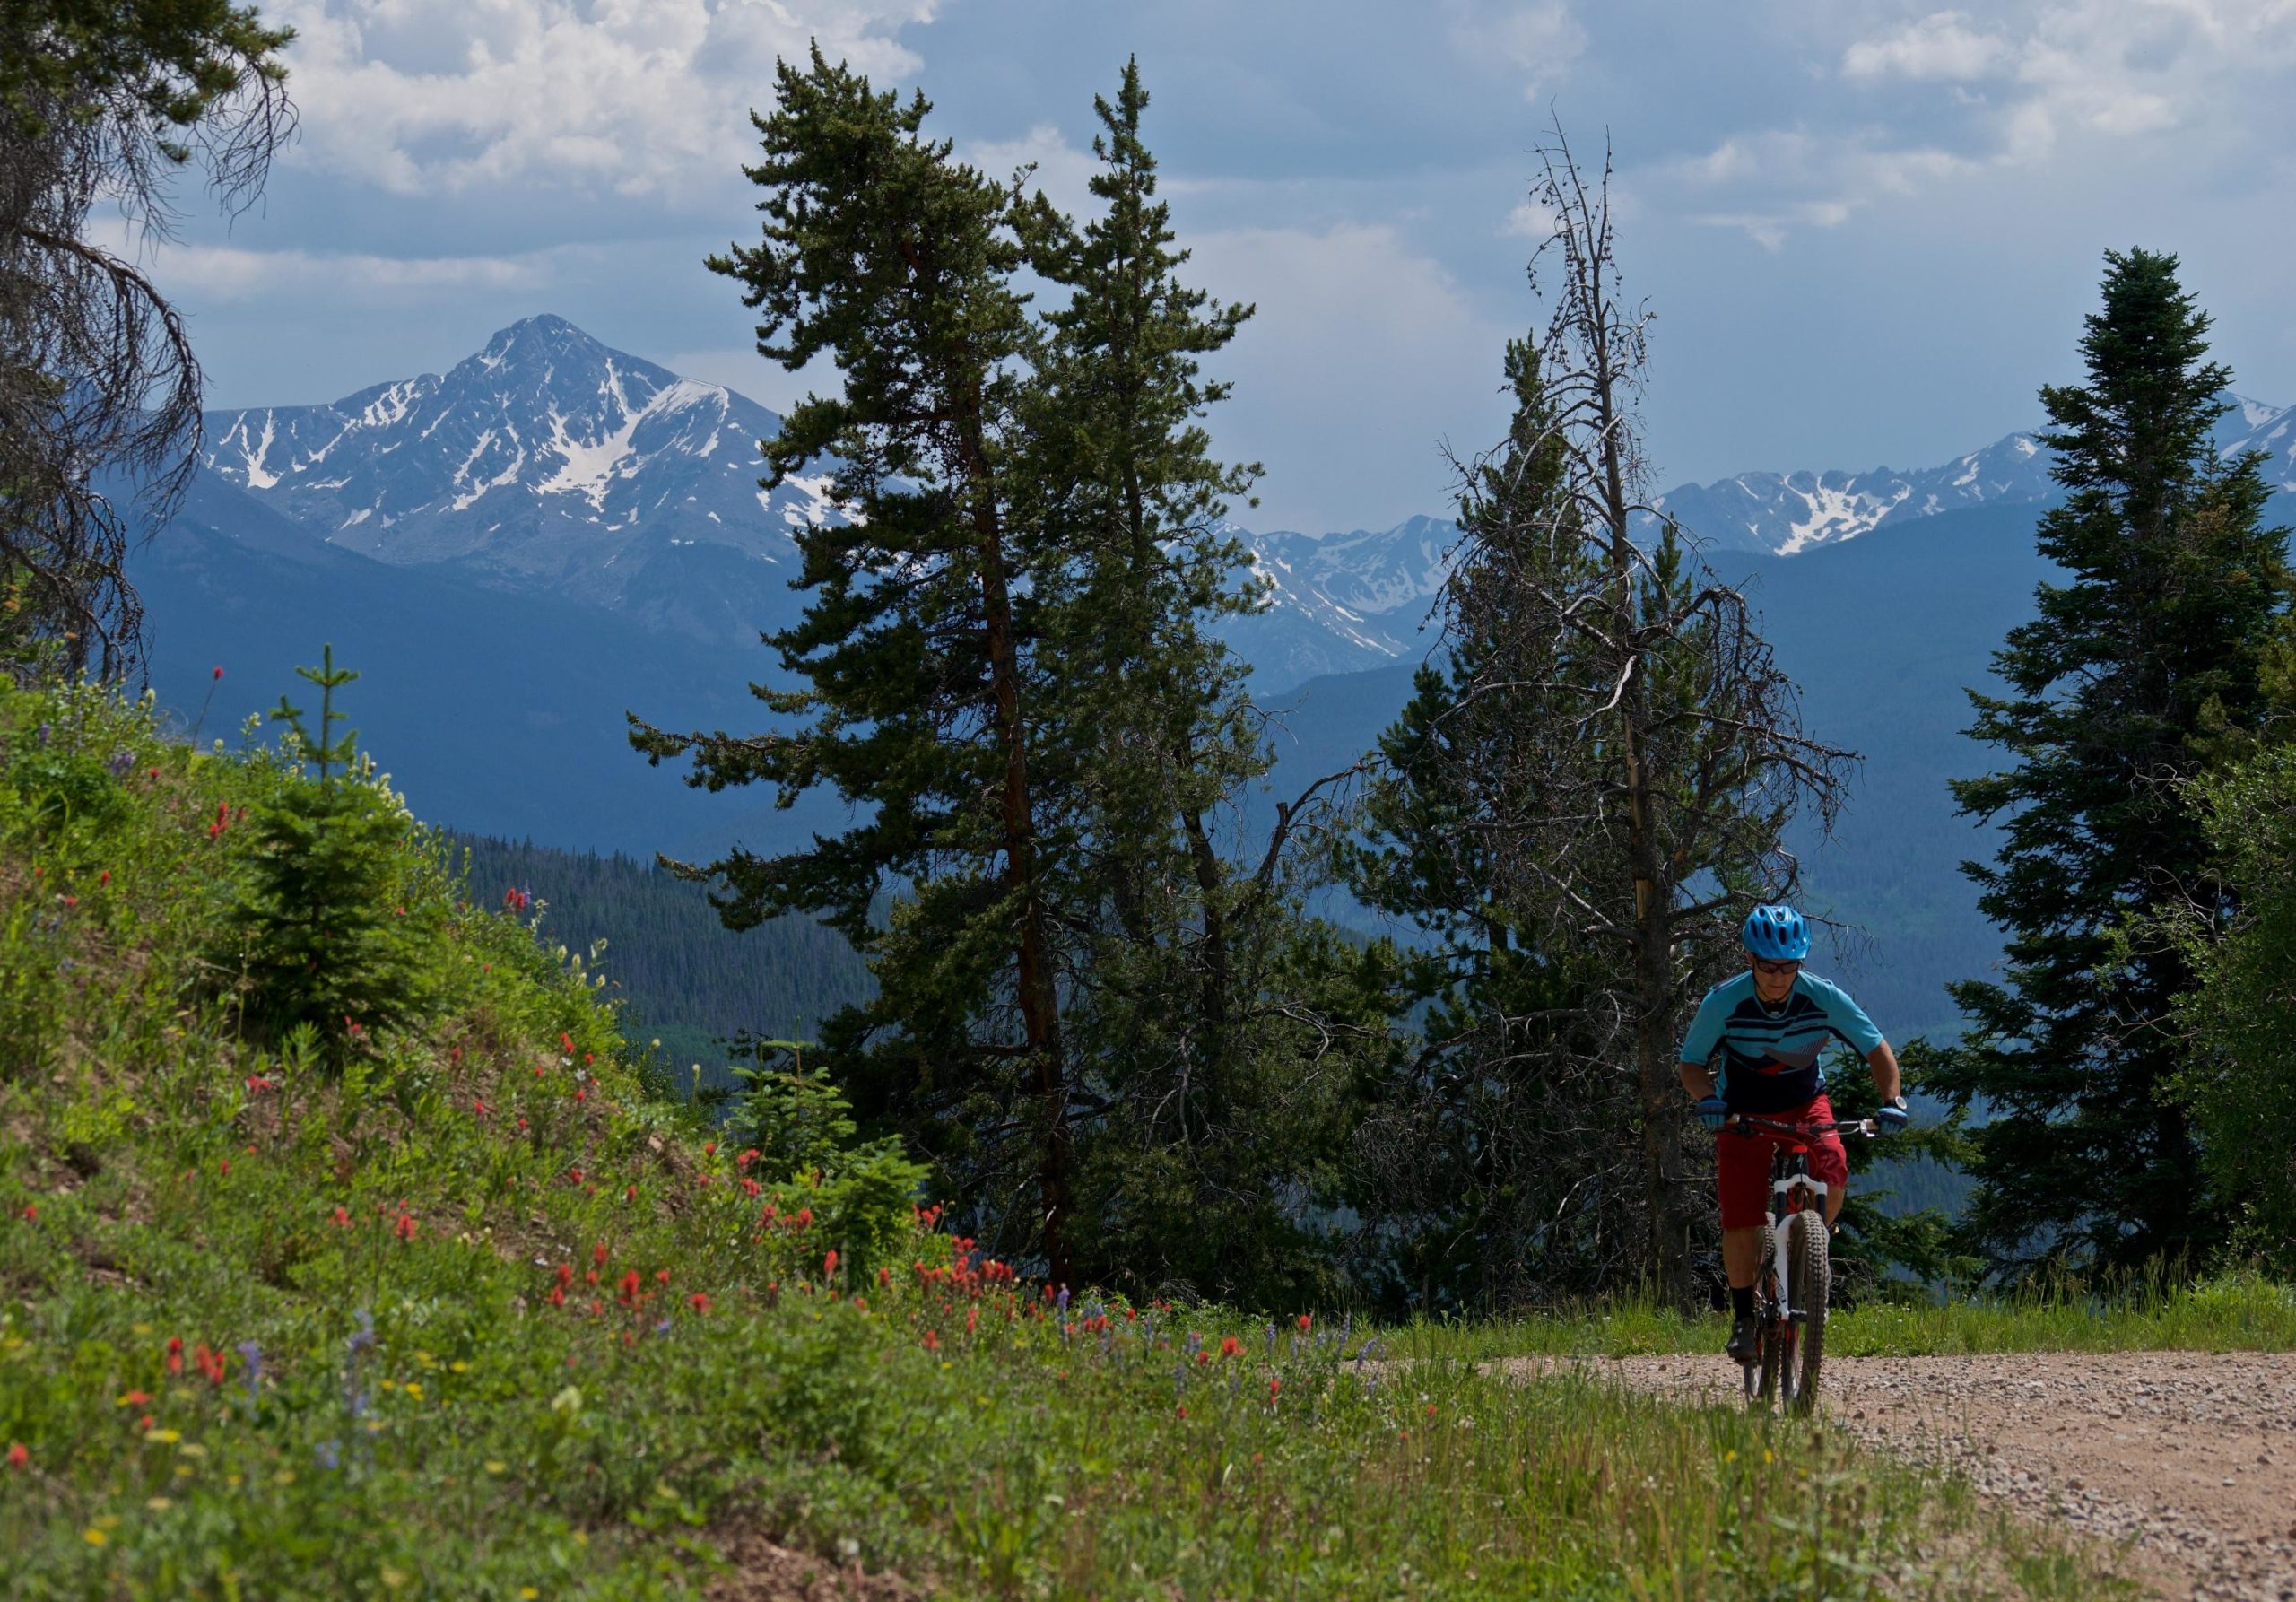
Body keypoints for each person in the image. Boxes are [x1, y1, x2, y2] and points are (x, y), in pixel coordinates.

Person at [1676, 903, 1909, 1362]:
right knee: (1741, 1216)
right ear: (1750, 959)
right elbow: (1690, 1064)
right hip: (1741, 1112)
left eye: (1788, 966)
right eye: (1768, 966)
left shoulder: (1822, 996)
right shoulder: (1724, 1001)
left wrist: (1893, 1100)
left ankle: (1809, 1254)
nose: (1779, 977)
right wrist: (1708, 1100)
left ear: (1801, 962)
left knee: (1835, 1168)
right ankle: (1744, 1317)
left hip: (1805, 1103)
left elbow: (1876, 1049)